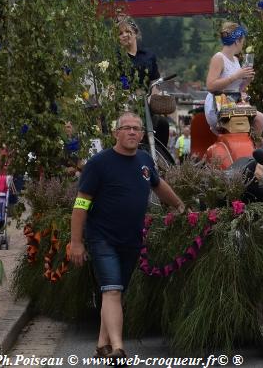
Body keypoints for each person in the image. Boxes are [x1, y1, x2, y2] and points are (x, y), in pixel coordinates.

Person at [70, 112, 185, 360]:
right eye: (127, 128)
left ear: (142, 134)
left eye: (137, 129)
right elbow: (81, 204)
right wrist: (76, 242)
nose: (132, 132)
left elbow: (158, 184)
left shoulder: (144, 160)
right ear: (116, 133)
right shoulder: (99, 164)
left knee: (114, 291)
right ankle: (119, 348)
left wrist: (179, 205)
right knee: (112, 290)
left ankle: (102, 344)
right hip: (102, 238)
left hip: (132, 239)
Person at [117, 16, 170, 150]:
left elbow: (155, 81)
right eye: (120, 33)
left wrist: (153, 96)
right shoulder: (115, 58)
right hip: (124, 104)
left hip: (146, 103)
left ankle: (159, 154)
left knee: (162, 123)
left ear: (135, 33)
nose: (124, 35)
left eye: (127, 31)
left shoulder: (148, 55)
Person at [204, 22, 263, 136]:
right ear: (237, 41)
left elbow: (238, 89)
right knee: (259, 119)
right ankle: (253, 149)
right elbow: (210, 86)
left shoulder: (235, 60)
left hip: (232, 102)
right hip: (218, 104)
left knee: (259, 119)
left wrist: (247, 80)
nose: (243, 45)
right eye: (242, 41)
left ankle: (252, 148)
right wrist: (235, 76)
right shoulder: (219, 58)